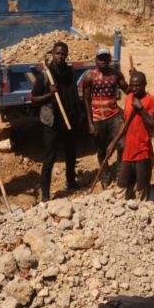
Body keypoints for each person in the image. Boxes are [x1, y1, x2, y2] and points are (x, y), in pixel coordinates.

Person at [31, 41, 82, 202]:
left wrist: (78, 115)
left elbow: (74, 94)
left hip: (69, 119)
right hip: (52, 122)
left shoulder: (71, 72)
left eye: (64, 54)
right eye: (58, 53)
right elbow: (34, 99)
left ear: (67, 55)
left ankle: (72, 182)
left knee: (71, 154)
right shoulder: (46, 75)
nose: (61, 56)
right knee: (49, 158)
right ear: (52, 53)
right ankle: (45, 194)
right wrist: (49, 94)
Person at [82, 47, 128, 189]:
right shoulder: (90, 77)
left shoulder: (116, 75)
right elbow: (86, 100)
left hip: (114, 116)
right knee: (101, 150)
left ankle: (120, 172)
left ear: (109, 60)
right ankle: (105, 174)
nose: (103, 61)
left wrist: (133, 78)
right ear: (96, 60)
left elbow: (128, 90)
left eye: (105, 58)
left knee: (122, 145)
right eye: (100, 58)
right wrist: (90, 123)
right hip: (97, 118)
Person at [108, 71, 154, 201]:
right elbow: (125, 124)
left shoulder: (152, 101)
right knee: (122, 185)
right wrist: (114, 142)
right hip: (128, 149)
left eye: (137, 85)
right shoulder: (129, 98)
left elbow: (152, 126)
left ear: (145, 85)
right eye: (132, 85)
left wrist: (141, 108)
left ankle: (140, 214)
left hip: (143, 150)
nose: (134, 88)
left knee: (141, 188)